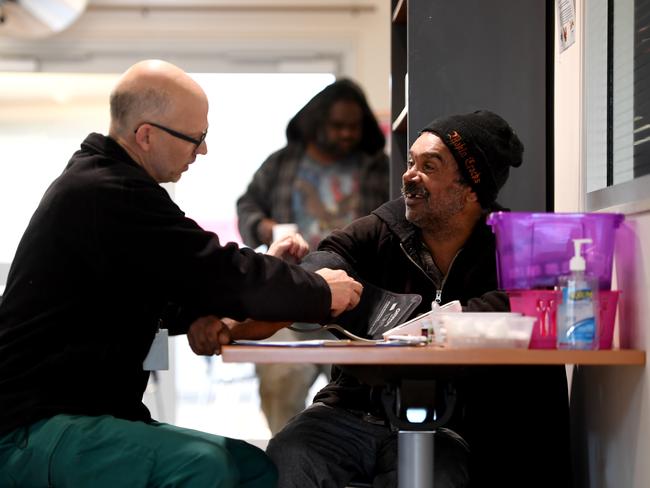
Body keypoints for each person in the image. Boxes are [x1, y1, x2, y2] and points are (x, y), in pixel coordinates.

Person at [0, 59, 363, 488]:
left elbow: (172, 281)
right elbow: (214, 269)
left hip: (82, 414)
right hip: (32, 425)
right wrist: (321, 291)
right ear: (147, 135)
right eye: (196, 138)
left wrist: (200, 317)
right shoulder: (107, 191)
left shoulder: (112, 186)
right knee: (206, 466)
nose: (202, 151)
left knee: (255, 469)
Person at [265, 110, 572, 487]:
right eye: (411, 162)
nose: (409, 175)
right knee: (289, 456)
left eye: (430, 166)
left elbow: (527, 305)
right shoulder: (382, 227)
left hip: (447, 421)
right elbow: (326, 260)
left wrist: (418, 321)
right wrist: (319, 280)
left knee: (438, 477)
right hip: (349, 409)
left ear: (471, 187)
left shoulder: (511, 244)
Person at [236, 78, 389, 435]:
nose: (347, 134)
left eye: (354, 127)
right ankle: (286, 456)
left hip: (359, 300)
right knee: (281, 378)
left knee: (366, 392)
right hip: (290, 297)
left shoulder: (377, 167)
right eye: (337, 126)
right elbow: (247, 205)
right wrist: (265, 227)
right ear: (316, 123)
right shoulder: (282, 164)